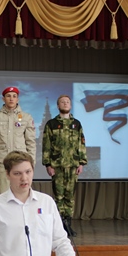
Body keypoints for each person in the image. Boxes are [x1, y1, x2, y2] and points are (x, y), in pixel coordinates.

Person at [42, 94, 87, 237]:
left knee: (70, 197)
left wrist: (81, 162)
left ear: (70, 105)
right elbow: (46, 145)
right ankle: (59, 226)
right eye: (62, 102)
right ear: (58, 105)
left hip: (73, 166)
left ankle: (68, 225)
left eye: (67, 102)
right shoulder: (51, 124)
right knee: (59, 197)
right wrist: (48, 164)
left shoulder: (77, 124)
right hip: (58, 166)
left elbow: (81, 144)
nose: (65, 103)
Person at [0, 87, 36, 195]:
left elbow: (31, 142)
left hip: (21, 163)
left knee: (22, 194)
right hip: (2, 163)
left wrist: (32, 163)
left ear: (18, 99)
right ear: (3, 99)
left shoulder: (26, 117)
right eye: (8, 96)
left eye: (14, 96)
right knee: (3, 195)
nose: (11, 99)